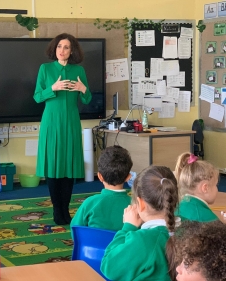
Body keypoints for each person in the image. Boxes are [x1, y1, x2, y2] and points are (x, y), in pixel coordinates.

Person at [34, 33, 92, 225]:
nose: (62, 50)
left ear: (72, 50)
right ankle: (57, 209)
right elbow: (37, 97)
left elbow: (87, 99)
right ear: (54, 49)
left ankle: (66, 209)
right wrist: (54, 87)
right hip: (51, 122)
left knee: (68, 165)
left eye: (66, 47)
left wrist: (83, 89)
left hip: (71, 122)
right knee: (53, 165)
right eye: (59, 46)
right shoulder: (45, 68)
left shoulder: (79, 70)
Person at [101, 165, 179, 281]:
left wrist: (127, 228)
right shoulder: (192, 230)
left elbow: (109, 267)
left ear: (140, 203)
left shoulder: (141, 240)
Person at [70, 145, 132, 233]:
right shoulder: (135, 205)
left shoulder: (90, 203)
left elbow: (75, 231)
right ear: (128, 177)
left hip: (95, 247)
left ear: (99, 176)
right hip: (125, 246)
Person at [174, 152, 219, 222]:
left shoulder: (177, 208)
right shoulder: (209, 219)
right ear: (205, 188)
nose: (217, 189)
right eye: (215, 185)